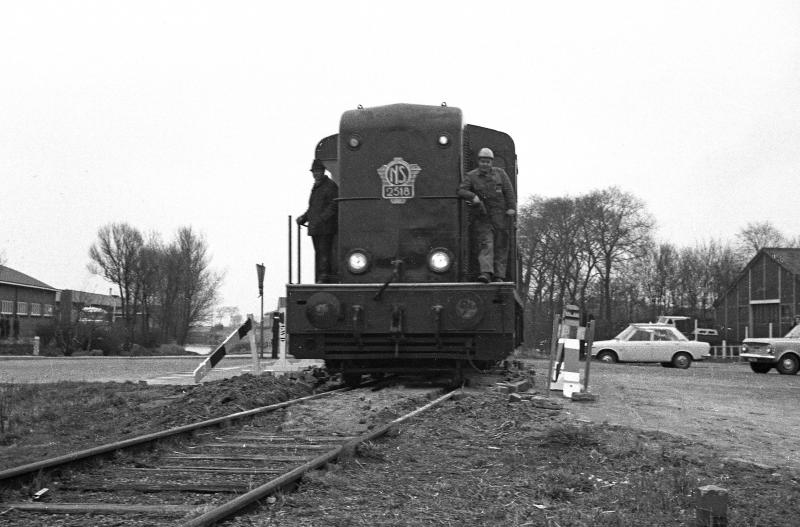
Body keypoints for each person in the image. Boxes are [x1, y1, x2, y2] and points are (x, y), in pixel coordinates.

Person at [457, 147, 516, 283]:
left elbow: (509, 192)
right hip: (483, 216)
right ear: (479, 162)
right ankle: (486, 273)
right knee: (486, 244)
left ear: (492, 162)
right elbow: (461, 190)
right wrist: (473, 196)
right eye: (483, 161)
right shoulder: (471, 176)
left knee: (501, 245)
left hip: (500, 216)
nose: (485, 164)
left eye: (488, 162)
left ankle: (499, 276)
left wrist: (511, 208)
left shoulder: (500, 174)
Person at [297, 159, 339, 283]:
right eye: (314, 172)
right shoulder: (316, 187)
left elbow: (334, 205)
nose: (316, 174)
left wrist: (322, 219)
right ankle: (321, 275)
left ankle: (325, 275)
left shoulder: (330, 186)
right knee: (319, 252)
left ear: (323, 172)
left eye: (318, 171)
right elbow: (313, 207)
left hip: (325, 227)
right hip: (316, 227)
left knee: (324, 251)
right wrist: (304, 217)